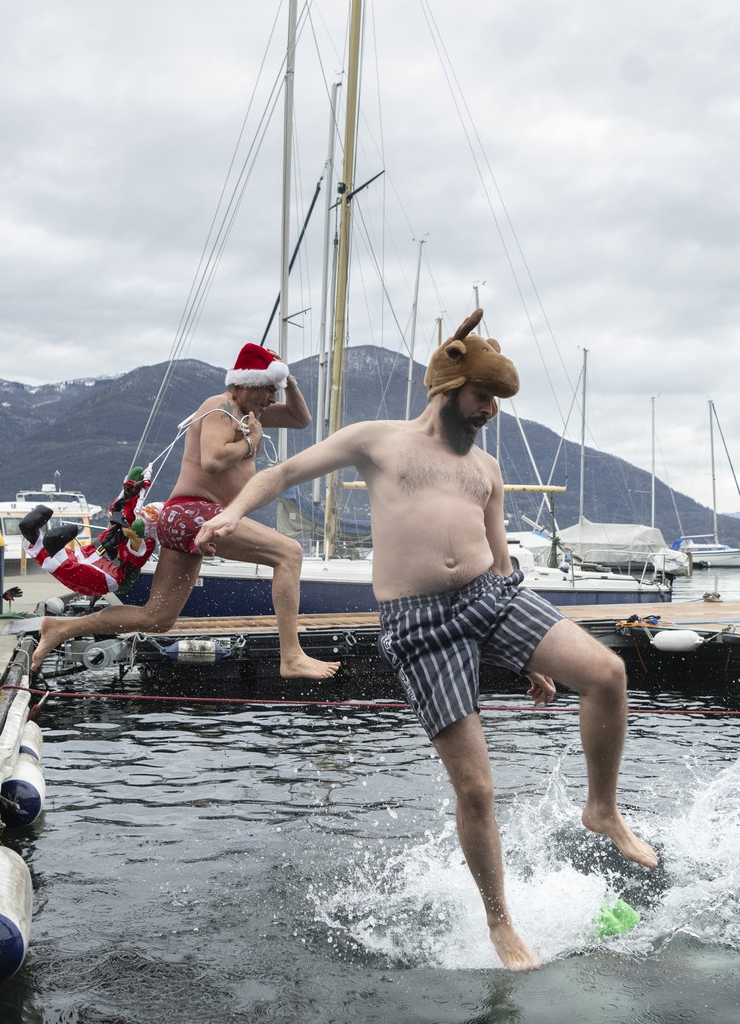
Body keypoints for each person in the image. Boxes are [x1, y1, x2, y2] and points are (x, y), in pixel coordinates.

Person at [195, 310, 658, 971]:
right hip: (419, 624)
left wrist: (527, 655)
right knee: (476, 789)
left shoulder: (488, 468)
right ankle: (501, 923)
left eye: (495, 402)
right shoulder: (379, 442)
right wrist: (232, 512)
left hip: (491, 599)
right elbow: (281, 475)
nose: (489, 412)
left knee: (607, 673)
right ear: (447, 387)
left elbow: (500, 561)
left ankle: (602, 810)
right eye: (481, 398)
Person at [32, 343, 341, 680]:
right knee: (290, 553)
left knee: (158, 619)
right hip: (194, 514)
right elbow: (211, 460)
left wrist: (288, 380)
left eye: (276, 390)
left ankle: (61, 628)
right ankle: (291, 655)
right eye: (269, 389)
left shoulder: (250, 413)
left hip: (185, 520)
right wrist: (252, 441)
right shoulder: (220, 408)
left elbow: (300, 419)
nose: (272, 399)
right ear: (247, 384)